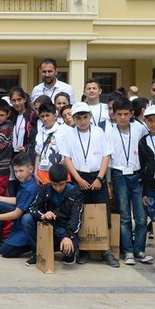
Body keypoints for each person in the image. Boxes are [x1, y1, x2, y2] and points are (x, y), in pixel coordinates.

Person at [59, 102, 118, 267]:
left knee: (103, 213)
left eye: (85, 117)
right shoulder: (69, 135)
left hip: (97, 176)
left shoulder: (99, 132)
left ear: (90, 117)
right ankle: (83, 249)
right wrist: (78, 179)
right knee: (81, 214)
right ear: (74, 118)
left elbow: (106, 156)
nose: (82, 121)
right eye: (79, 117)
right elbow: (67, 159)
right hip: (80, 177)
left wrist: (100, 178)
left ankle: (106, 250)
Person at [107, 97, 153, 265]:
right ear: (113, 114)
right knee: (125, 215)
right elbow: (107, 158)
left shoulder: (140, 128)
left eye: (126, 114)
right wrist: (108, 182)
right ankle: (128, 251)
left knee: (141, 216)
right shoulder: (109, 131)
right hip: (118, 175)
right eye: (119, 114)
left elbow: (146, 151)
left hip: (137, 175)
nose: (123, 118)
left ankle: (139, 249)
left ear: (132, 114)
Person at [0, 154, 39, 256]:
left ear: (31, 169)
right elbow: (18, 200)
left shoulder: (30, 188)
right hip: (21, 218)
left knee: (5, 252)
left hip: (25, 223)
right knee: (0, 206)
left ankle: (31, 244)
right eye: (16, 171)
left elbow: (16, 214)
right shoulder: (26, 182)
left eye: (21, 171)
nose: (18, 174)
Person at [22, 163, 82, 266]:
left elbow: (76, 219)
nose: (58, 188)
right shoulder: (45, 188)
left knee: (69, 253)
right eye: (54, 184)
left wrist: (68, 236)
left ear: (67, 179)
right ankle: (37, 252)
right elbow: (33, 208)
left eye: (61, 184)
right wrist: (43, 215)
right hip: (48, 226)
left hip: (64, 229)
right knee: (26, 218)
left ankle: (68, 252)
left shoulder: (76, 193)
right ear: (50, 181)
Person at [33, 101, 64, 186]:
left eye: (47, 115)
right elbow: (38, 154)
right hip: (43, 172)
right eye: (42, 116)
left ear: (55, 116)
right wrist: (35, 172)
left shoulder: (64, 130)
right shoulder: (40, 132)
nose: (45, 119)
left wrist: (66, 160)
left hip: (60, 173)